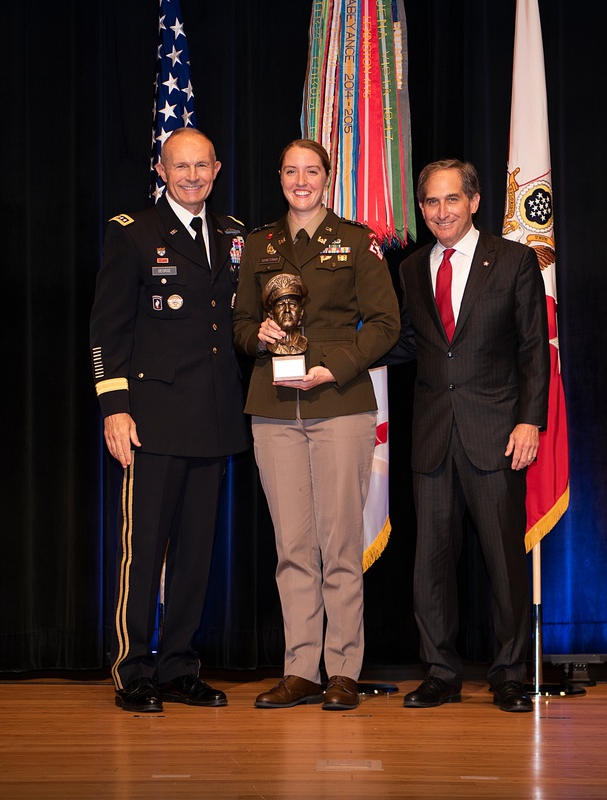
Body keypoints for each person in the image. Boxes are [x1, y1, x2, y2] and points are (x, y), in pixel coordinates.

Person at [233, 139, 400, 711]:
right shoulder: (259, 243)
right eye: (290, 171)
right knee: (293, 547)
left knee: (339, 543)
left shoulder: (357, 241)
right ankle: (301, 669)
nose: (300, 181)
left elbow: (385, 323)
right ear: (279, 177)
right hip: (274, 409)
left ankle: (343, 671)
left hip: (340, 405)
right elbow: (239, 322)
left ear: (327, 178)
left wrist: (337, 366)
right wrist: (255, 334)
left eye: (311, 171)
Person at [89, 127, 248, 713]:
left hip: (213, 418)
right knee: (145, 547)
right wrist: (114, 406)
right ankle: (133, 668)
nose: (191, 176)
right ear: (161, 169)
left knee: (196, 554)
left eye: (201, 166)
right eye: (180, 166)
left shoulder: (234, 236)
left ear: (217, 167)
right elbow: (107, 331)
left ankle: (180, 665)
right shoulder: (132, 234)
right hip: (151, 421)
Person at [386, 159, 549, 712]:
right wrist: (342, 353)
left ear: (474, 201)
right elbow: (409, 343)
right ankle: (440, 672)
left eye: (451, 200)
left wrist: (530, 420)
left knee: (503, 560)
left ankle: (508, 674)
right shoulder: (410, 269)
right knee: (430, 561)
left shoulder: (515, 260)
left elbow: (533, 348)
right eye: (430, 202)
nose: (440, 212)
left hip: (497, 432)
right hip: (432, 434)